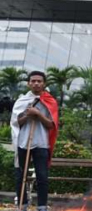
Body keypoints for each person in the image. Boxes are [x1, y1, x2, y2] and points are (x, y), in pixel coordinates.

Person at [11, 71, 59, 211]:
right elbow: (16, 123)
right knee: (21, 175)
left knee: (42, 176)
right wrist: (27, 115)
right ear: (28, 83)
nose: (36, 83)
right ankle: (22, 204)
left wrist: (38, 114)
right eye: (33, 81)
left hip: (41, 144)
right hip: (23, 143)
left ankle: (42, 206)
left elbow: (51, 125)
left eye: (39, 81)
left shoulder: (50, 101)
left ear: (44, 83)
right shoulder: (21, 101)